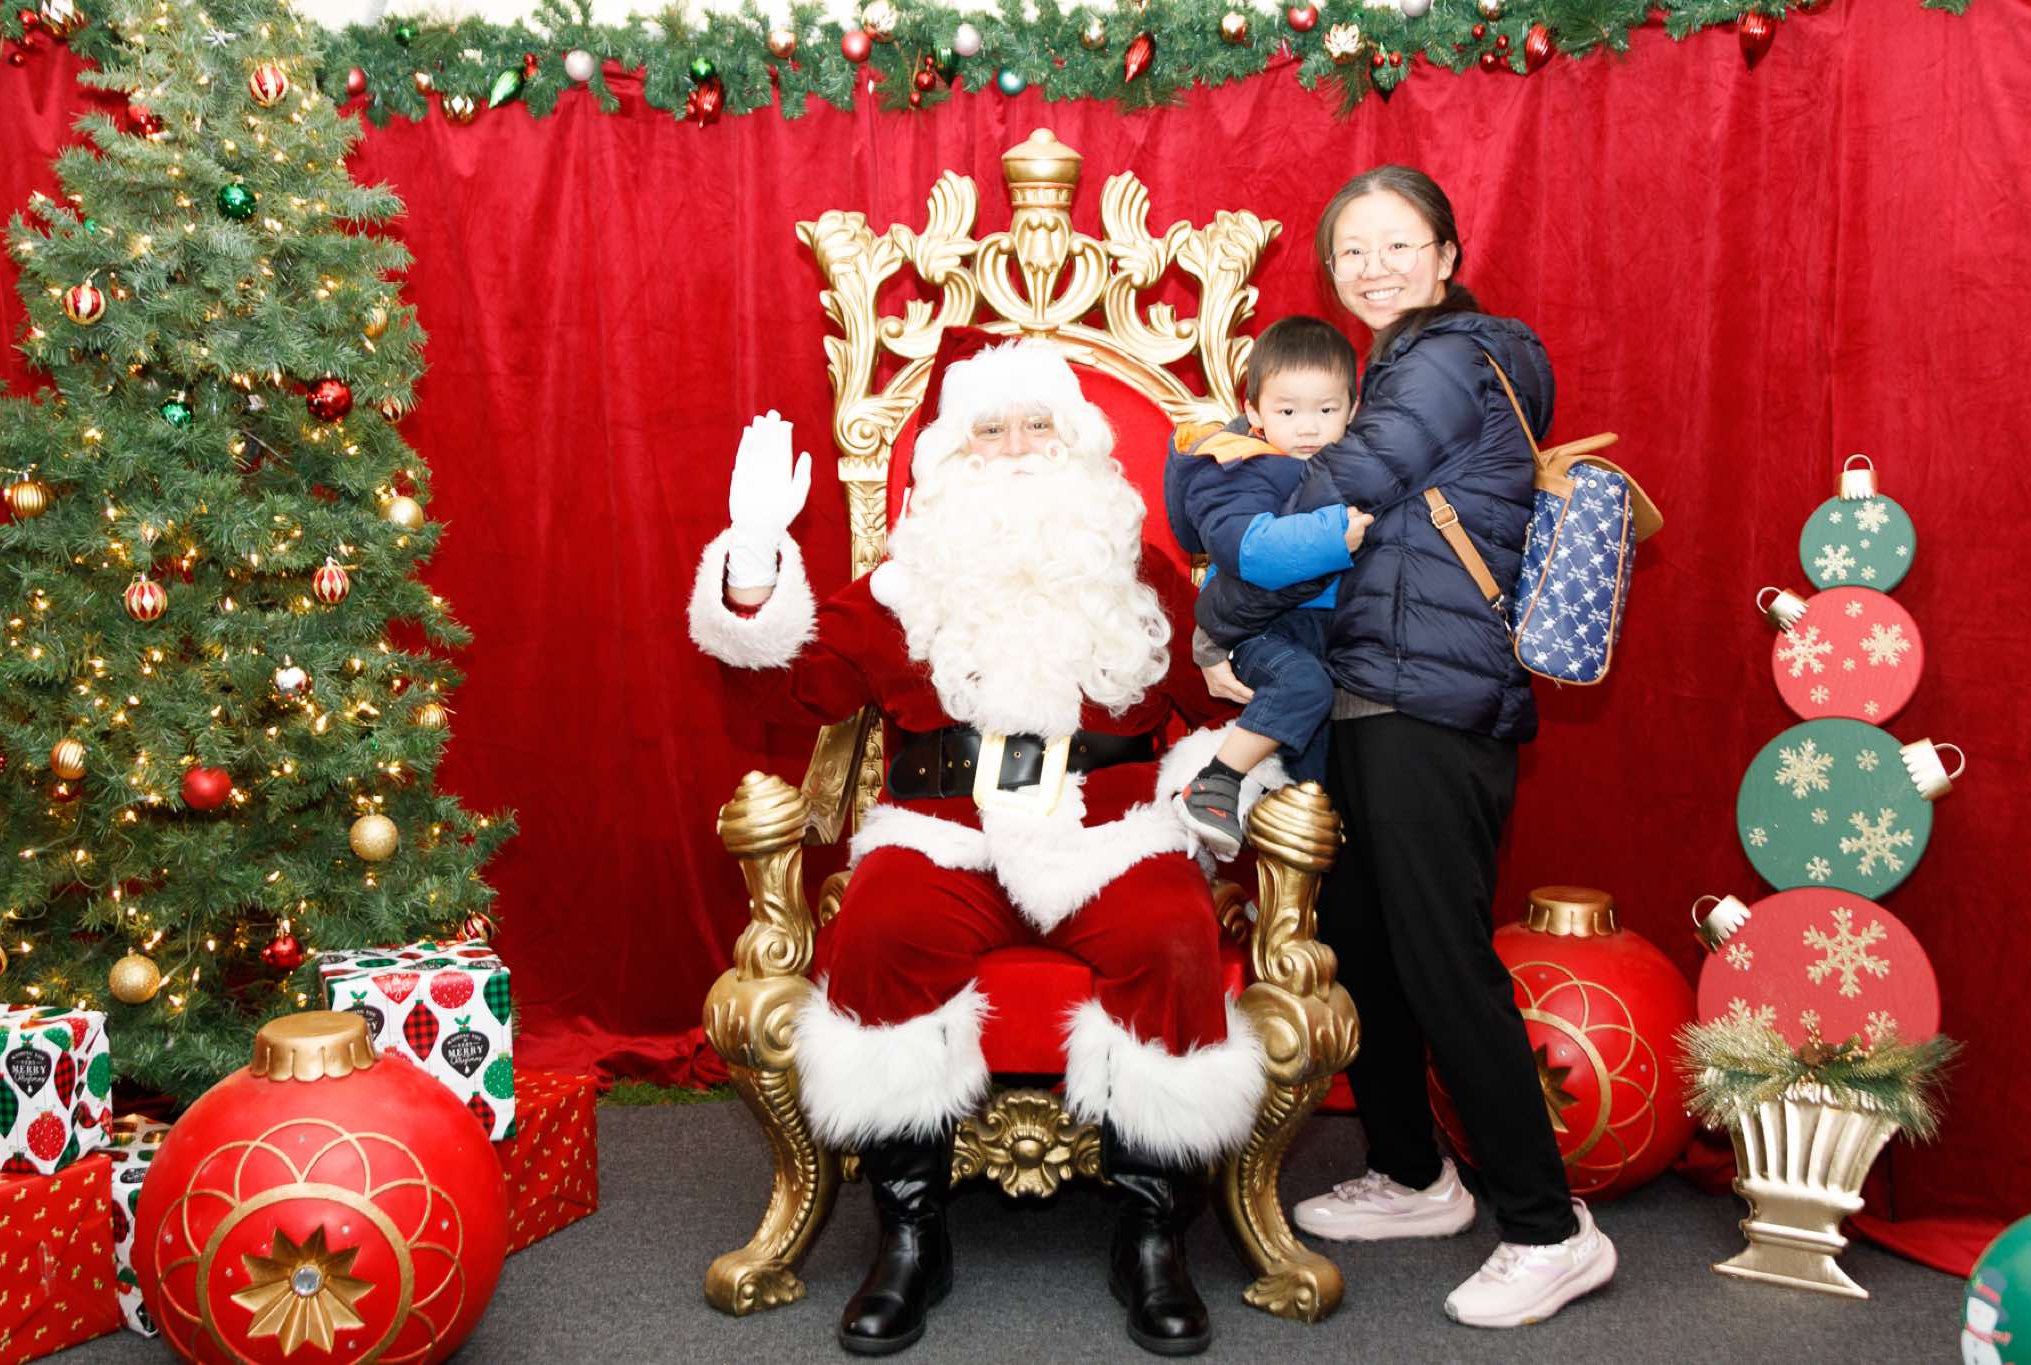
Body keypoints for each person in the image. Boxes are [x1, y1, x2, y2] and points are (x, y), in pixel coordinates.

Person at [687, 338, 1277, 1358]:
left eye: (1036, 425)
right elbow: (788, 686)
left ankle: (1151, 1234)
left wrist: (1224, 761)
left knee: (1173, 935)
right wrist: (751, 559)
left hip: (1110, 838)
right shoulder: (902, 583)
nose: (1014, 448)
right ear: (950, 456)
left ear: (1077, 443)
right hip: (941, 837)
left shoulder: (1139, 574)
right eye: (988, 430)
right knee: (880, 929)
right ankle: (911, 1236)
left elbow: (1228, 701)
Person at [1193, 166, 1618, 1329]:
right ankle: (1413, 1174)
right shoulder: (1394, 365)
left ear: (1445, 256)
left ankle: (1548, 1228)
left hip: (1431, 703)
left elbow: (1335, 488)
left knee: (1439, 962)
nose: (1372, 268)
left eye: (1396, 245)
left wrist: (1218, 589)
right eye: (1351, 251)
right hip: (1368, 697)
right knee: (1365, 950)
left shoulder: (1443, 359)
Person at [1163, 316, 1373, 858]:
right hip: (1261, 630)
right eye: (1287, 411)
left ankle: (1294, 880)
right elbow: (1249, 550)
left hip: (1325, 631)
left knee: (1314, 784)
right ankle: (1215, 782)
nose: (1308, 428)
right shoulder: (1238, 466)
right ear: (1254, 411)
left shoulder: (1353, 466)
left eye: (1326, 410)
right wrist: (1332, 535)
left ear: (1352, 409)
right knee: (1303, 685)